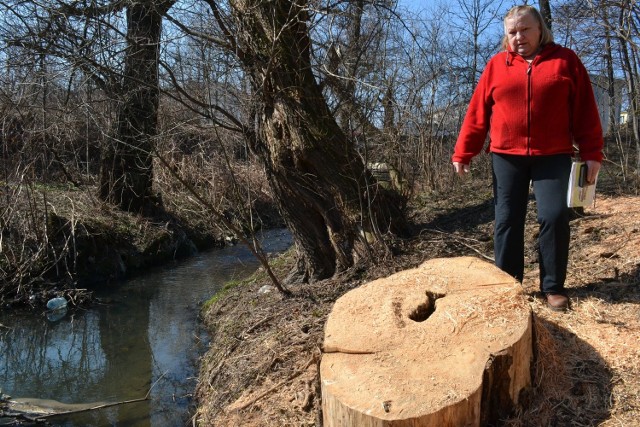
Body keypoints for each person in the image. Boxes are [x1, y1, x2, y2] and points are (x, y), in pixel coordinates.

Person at [452, 5, 604, 311]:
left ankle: (553, 287)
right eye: (512, 32)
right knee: (507, 220)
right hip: (507, 156)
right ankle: (509, 286)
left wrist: (592, 153)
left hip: (554, 155)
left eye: (525, 30)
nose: (518, 36)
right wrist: (464, 151)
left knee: (554, 216)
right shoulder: (496, 65)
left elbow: (585, 111)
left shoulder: (566, 61)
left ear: (540, 30)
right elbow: (478, 112)